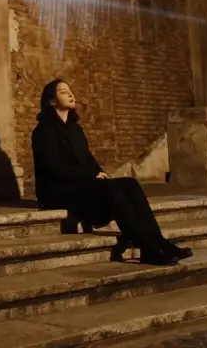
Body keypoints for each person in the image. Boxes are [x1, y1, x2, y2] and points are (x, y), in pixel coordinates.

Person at [31, 78, 192, 266]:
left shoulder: (75, 129)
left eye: (70, 90)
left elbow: (87, 159)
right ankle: (148, 248)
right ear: (52, 101)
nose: (70, 94)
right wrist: (91, 176)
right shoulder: (43, 131)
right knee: (110, 190)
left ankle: (160, 242)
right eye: (63, 91)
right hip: (56, 191)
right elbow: (53, 168)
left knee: (129, 184)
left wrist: (99, 172)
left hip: (80, 184)